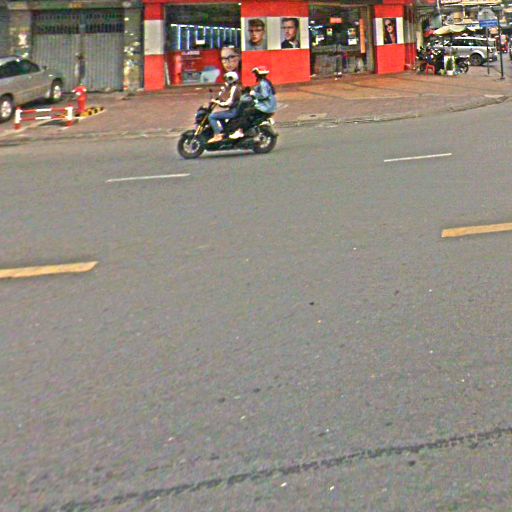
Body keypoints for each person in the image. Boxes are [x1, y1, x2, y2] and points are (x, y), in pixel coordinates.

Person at [228, 66, 277, 140]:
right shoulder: (266, 82)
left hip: (265, 107)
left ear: (259, 74)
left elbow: (264, 95)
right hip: (270, 106)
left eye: (256, 73)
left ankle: (240, 131)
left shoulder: (263, 83)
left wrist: (254, 94)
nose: (255, 75)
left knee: (246, 112)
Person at [208, 71, 242, 144]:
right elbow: (229, 100)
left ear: (231, 79)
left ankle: (217, 135)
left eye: (227, 79)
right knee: (220, 116)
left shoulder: (234, 88)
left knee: (212, 116)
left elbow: (229, 103)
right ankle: (226, 132)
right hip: (234, 110)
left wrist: (217, 102)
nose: (226, 81)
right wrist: (220, 100)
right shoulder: (234, 87)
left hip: (233, 111)